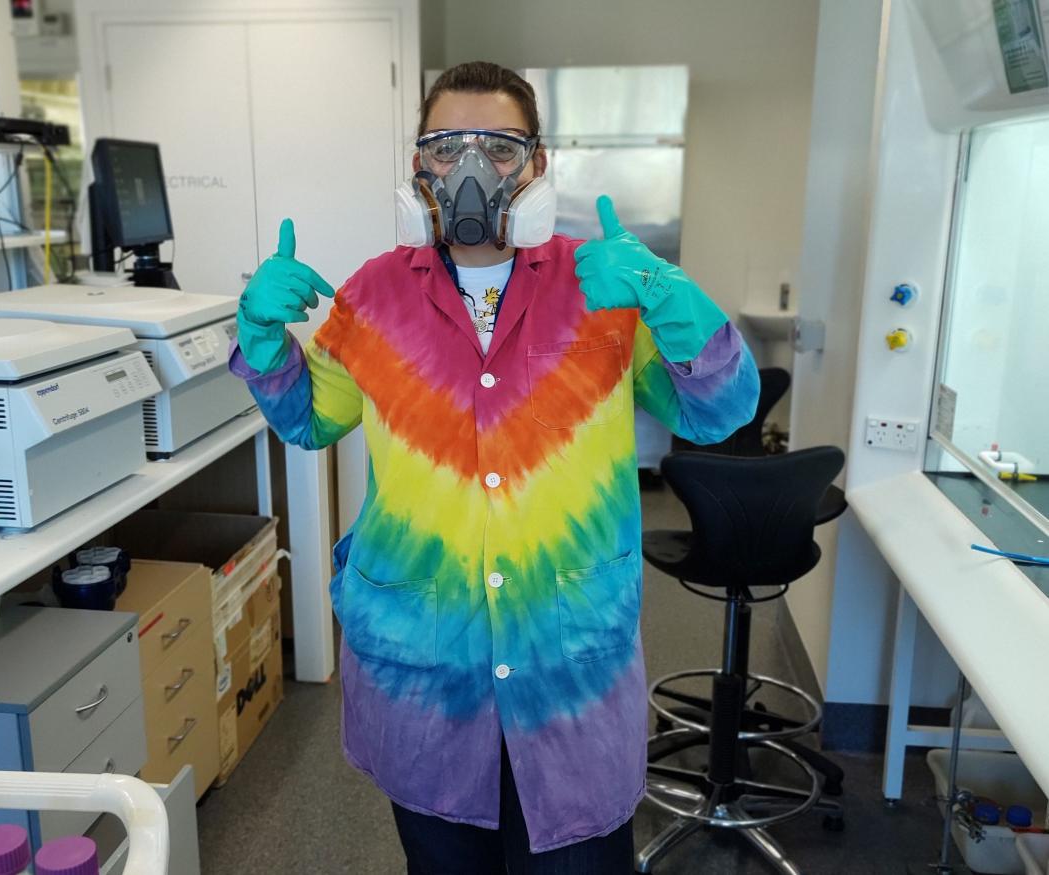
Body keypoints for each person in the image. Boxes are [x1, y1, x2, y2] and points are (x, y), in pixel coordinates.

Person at [231, 61, 759, 874]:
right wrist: (266, 341)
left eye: (501, 147)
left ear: (538, 164)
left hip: (568, 674)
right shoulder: (372, 297)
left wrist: (670, 294)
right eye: (446, 147)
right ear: (418, 166)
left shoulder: (605, 286)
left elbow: (718, 412)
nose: (471, 169)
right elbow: (310, 419)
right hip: (430, 679)